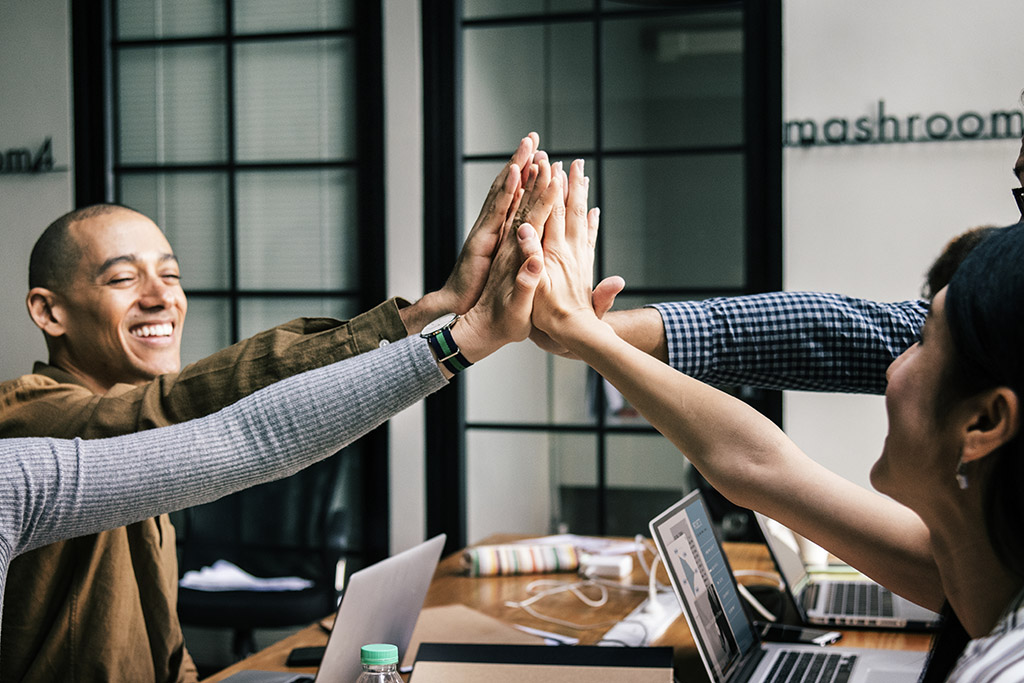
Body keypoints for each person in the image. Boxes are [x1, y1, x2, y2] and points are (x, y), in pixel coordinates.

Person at [0, 134, 561, 682]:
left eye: (170, 274)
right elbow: (196, 413)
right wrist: (434, 314)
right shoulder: (31, 422)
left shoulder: (138, 434)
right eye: (124, 278)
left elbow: (162, 644)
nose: (162, 296)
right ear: (50, 313)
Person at [531, 162, 1024, 679]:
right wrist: (589, 335)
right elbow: (760, 465)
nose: (892, 362)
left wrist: (586, 333)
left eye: (921, 340)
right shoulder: (987, 574)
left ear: (985, 422)